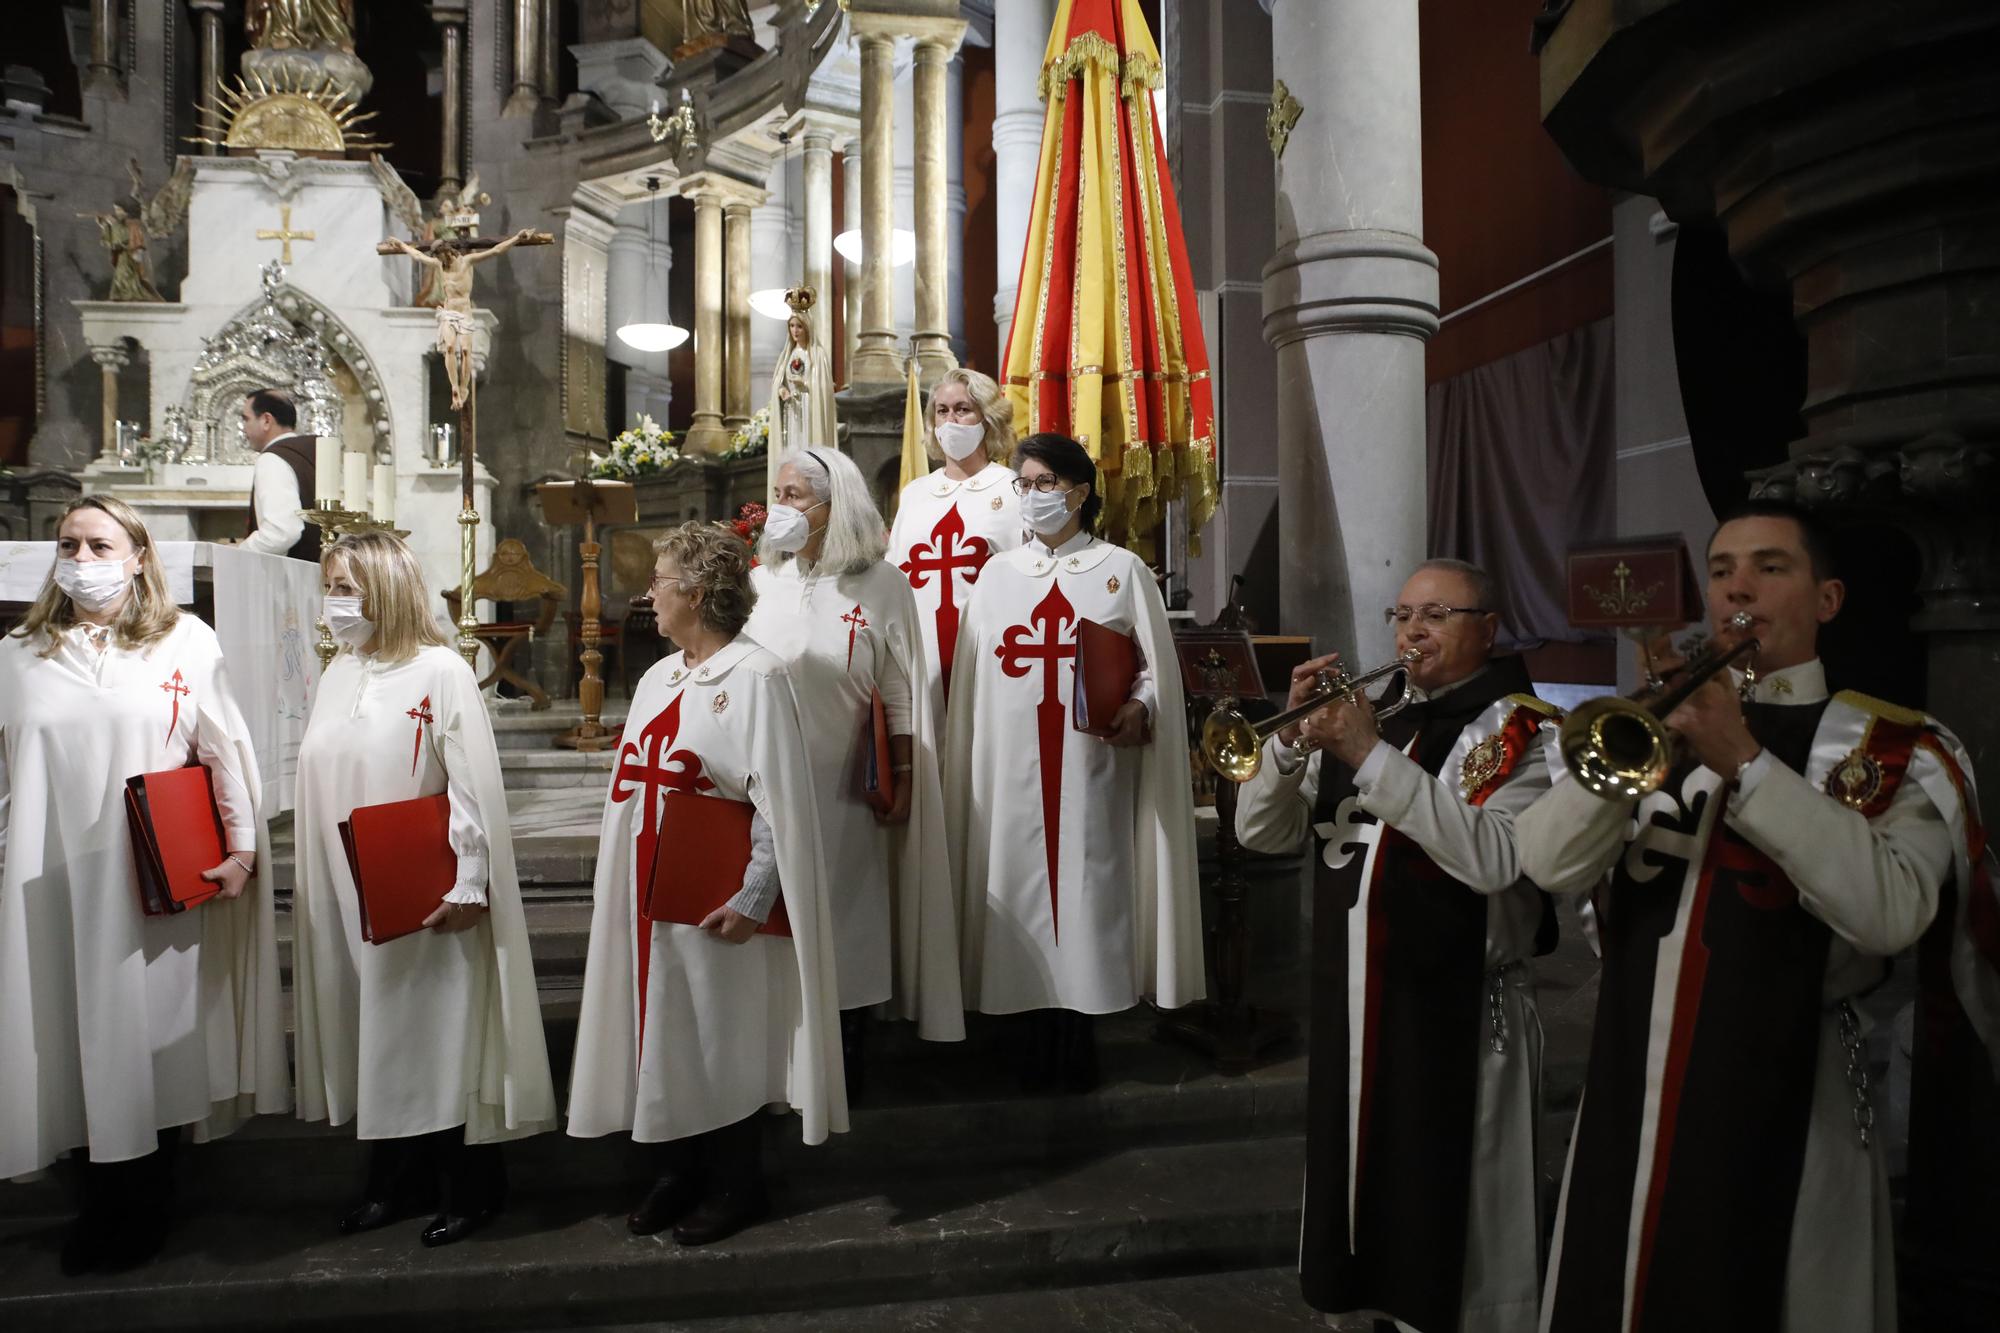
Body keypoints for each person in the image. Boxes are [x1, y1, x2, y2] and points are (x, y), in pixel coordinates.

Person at [1515, 500, 1993, 1333]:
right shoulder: (1656, 726)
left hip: (1793, 1086)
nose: (1740, 587)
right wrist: (1654, 728)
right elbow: (1546, 862)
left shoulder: (1892, 749)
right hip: (1638, 1073)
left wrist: (1745, 758)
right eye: (1723, 569)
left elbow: (1888, 916)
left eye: (1772, 567)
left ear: (1828, 599)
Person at [1236, 559, 1559, 1333]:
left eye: (1438, 614)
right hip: (1357, 996)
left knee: (1453, 1227)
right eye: (1403, 613)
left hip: (1458, 1009)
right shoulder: (1378, 715)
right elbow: (1262, 831)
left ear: (1488, 628)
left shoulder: (1524, 728)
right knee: (1363, 1207)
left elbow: (1493, 859)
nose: (1412, 630)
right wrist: (1286, 741)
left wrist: (1365, 755)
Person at [0, 496, 287, 1272]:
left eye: (100, 544)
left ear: (138, 555)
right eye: (69, 544)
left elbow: (222, 748)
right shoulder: (20, 652)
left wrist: (242, 847)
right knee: (62, 1028)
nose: (82, 558)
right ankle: (92, 1192)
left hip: (147, 875)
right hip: (45, 876)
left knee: (142, 1034)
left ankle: (141, 1200)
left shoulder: (184, 641)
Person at [568, 522, 846, 1246]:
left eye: (659, 580)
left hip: (713, 890)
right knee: (663, 1027)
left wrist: (755, 895)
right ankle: (674, 1170)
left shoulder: (756, 676)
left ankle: (735, 1180)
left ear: (694, 592)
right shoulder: (661, 676)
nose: (649, 594)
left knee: (719, 1030)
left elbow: (777, 800)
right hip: (644, 890)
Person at [290, 531, 555, 1248]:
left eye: (347, 587)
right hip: (352, 885)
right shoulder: (343, 669)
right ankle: (394, 1181)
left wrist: (471, 878)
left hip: (424, 884)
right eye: (331, 587)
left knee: (439, 1030)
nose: (335, 604)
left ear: (385, 588)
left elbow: (468, 782)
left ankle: (472, 1184)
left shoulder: (441, 670)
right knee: (378, 1030)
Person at [942, 432, 1203, 1091]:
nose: (1031, 496)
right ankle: (1022, 1031)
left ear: (1081, 492)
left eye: (1044, 484)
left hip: (1094, 767)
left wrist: (1142, 704)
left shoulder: (1121, 569)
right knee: (1016, 882)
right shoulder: (997, 576)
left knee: (1089, 891)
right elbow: (972, 681)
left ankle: (1080, 1032)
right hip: (1010, 770)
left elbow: (1156, 672)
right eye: (1023, 484)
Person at [746, 449, 964, 1096]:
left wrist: (901, 768)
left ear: (833, 506)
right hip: (764, 781)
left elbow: (900, 686)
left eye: (795, 495)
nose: (781, 506)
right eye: (778, 493)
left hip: (842, 777)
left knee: (847, 912)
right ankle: (782, 1049)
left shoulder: (881, 584)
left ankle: (848, 1049)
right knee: (775, 910)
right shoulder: (761, 581)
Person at [886, 368, 1023, 711]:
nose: (951, 421)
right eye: (942, 411)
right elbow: (894, 579)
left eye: (963, 409)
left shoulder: (1013, 490)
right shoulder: (915, 494)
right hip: (921, 658)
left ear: (987, 418)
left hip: (988, 655)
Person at [239, 387, 321, 561]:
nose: (243, 428)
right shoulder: (311, 453)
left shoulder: (273, 459)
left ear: (266, 420)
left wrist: (239, 552)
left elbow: (282, 531)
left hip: (287, 580)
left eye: (246, 419)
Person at [765, 304, 837, 496]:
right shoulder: (787, 355)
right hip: (792, 412)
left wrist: (806, 384)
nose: (795, 331)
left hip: (808, 409)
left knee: (808, 444)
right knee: (793, 446)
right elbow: (779, 383)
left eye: (799, 326)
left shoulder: (817, 355)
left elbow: (822, 388)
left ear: (807, 327)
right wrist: (781, 391)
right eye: (792, 326)